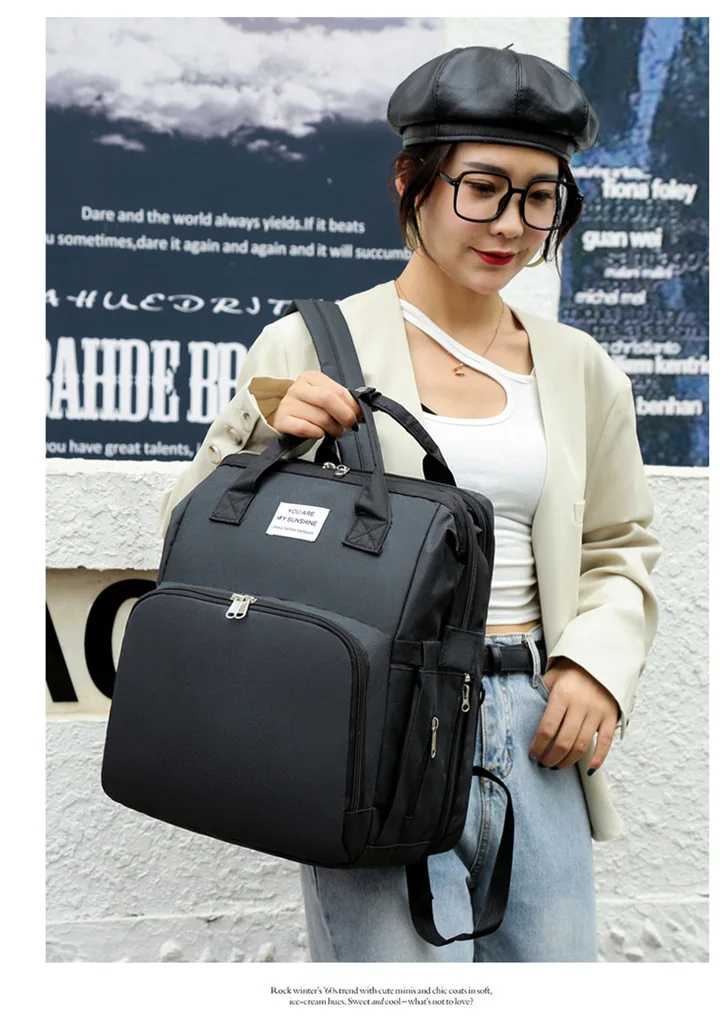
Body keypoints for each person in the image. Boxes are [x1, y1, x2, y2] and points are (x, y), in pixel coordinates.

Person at [158, 45, 660, 962]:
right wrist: (267, 435)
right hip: (372, 727)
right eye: (483, 188)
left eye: (539, 196)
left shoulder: (582, 368)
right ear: (411, 182)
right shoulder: (312, 343)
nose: (510, 224)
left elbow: (619, 545)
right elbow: (192, 534)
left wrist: (595, 667)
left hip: (536, 726)